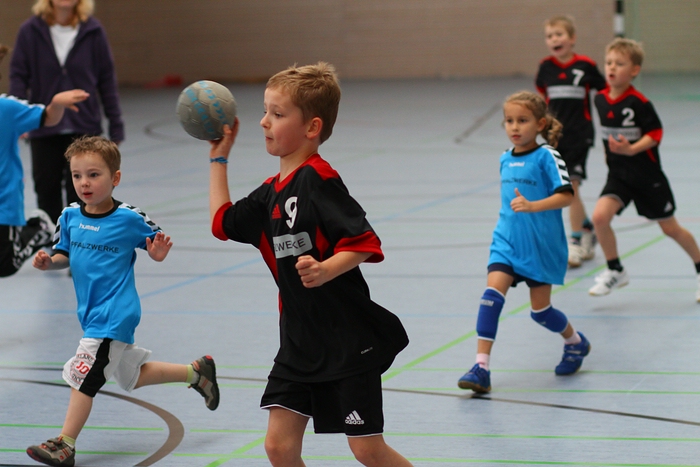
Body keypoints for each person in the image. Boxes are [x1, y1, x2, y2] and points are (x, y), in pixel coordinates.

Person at [207, 62, 412, 467]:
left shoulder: (319, 180)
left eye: (278, 114)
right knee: (279, 447)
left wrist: (325, 269)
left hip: (347, 340)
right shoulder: (269, 193)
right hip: (299, 343)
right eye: (265, 111)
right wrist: (218, 159)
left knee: (367, 449)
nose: (264, 121)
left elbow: (364, 243)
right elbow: (221, 223)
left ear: (312, 127)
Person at [26, 136, 219, 467]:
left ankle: (64, 444)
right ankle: (197, 373)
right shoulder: (69, 216)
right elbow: (63, 254)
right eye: (77, 176)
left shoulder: (128, 218)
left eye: (94, 175)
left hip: (114, 314)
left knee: (83, 376)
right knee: (133, 375)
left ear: (115, 177)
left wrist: (157, 253)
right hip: (90, 313)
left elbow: (154, 244)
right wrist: (49, 262)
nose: (84, 183)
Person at [457, 91, 591, 394]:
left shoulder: (547, 156)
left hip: (541, 245)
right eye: (509, 121)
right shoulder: (505, 158)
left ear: (540, 124)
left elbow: (566, 196)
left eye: (522, 120)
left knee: (540, 311)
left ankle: (575, 342)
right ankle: (481, 368)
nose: (515, 127)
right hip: (506, 241)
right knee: (491, 297)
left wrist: (533, 206)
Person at [588, 38, 700, 300]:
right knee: (600, 218)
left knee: (670, 229)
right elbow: (607, 135)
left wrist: (631, 149)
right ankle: (616, 270)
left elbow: (655, 133)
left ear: (634, 70)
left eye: (620, 64)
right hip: (619, 176)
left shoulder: (639, 102)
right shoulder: (600, 99)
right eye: (609, 62)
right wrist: (610, 155)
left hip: (647, 177)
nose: (612, 67)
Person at [9, 0, 124, 224]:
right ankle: (54, 240)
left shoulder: (93, 30)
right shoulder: (30, 31)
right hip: (45, 125)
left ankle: (83, 238)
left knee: (84, 191)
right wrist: (21, 118)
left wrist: (116, 124)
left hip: (84, 125)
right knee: (46, 189)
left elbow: (107, 79)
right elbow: (18, 76)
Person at [0, 42, 89, 278]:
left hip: (3, 203)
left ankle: (39, 228)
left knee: (5, 265)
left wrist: (57, 103)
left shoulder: (6, 109)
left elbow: (48, 118)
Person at [536, 15, 607, 268]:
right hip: (555, 138)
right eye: (550, 36)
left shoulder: (586, 66)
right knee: (562, 188)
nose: (554, 39)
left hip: (579, 135)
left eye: (559, 34)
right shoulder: (545, 68)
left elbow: (604, 92)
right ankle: (587, 228)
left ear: (572, 38)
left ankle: (575, 241)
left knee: (571, 187)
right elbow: (542, 101)